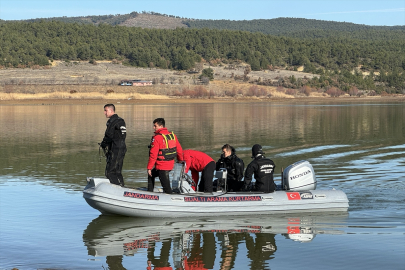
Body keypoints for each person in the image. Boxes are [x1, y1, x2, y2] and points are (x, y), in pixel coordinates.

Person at [147, 118, 183, 194]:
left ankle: (169, 197)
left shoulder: (157, 138)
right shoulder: (172, 135)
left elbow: (153, 154)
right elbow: (179, 150)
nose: (153, 127)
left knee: (166, 188)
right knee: (151, 175)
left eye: (155, 126)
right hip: (170, 165)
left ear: (161, 126)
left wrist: (149, 167)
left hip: (162, 166)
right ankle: (149, 193)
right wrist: (180, 161)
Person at [99, 104, 127, 186]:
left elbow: (109, 135)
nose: (104, 113)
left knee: (110, 172)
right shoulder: (121, 120)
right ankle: (121, 186)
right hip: (122, 148)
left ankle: (117, 189)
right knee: (117, 171)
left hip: (115, 148)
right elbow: (122, 135)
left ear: (111, 110)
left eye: (105, 110)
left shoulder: (112, 121)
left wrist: (104, 144)